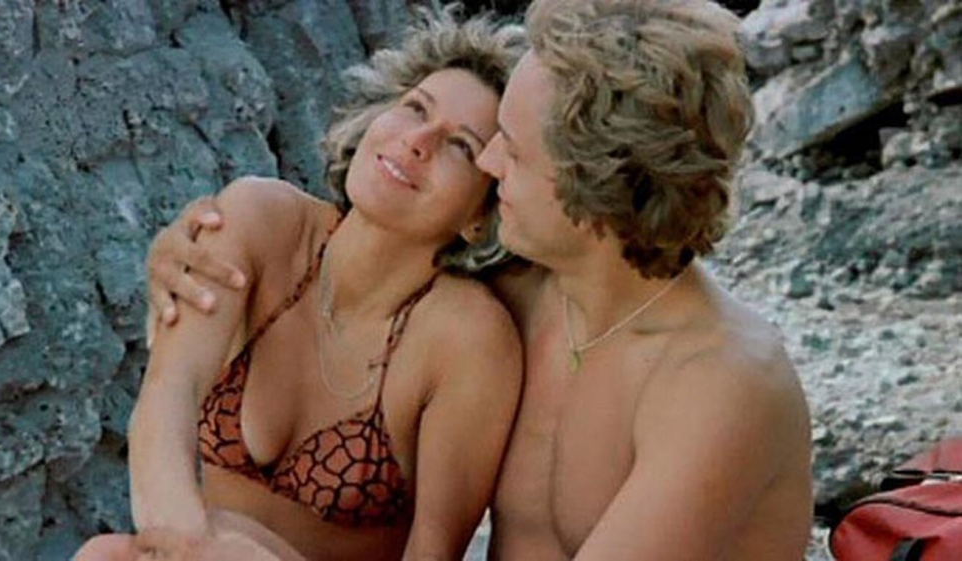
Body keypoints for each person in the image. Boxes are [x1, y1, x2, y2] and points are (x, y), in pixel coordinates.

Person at [147, 0, 815, 559]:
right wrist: (180, 255)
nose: (490, 166)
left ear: (597, 191)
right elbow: (357, 251)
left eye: (511, 152)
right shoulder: (525, 291)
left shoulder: (720, 385)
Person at [76, 7, 525, 561]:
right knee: (105, 554)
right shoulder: (261, 220)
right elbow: (168, 394)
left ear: (482, 214)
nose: (418, 140)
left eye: (461, 145)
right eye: (415, 108)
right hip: (197, 545)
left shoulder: (468, 338)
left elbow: (434, 550)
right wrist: (190, 546)